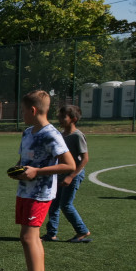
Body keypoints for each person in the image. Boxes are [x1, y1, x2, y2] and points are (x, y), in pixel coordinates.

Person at [9, 90, 75, 271]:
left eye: (22, 110)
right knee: (32, 237)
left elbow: (69, 164)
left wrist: (37, 172)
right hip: (25, 191)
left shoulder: (51, 134)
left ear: (33, 110)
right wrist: (19, 170)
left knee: (28, 238)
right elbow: (25, 159)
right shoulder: (28, 132)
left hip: (40, 193)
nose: (22, 114)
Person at [44, 104, 92, 244]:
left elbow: (85, 159)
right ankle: (51, 234)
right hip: (60, 174)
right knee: (54, 204)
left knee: (66, 205)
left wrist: (71, 176)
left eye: (63, 116)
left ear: (73, 119)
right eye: (59, 115)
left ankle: (82, 230)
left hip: (73, 175)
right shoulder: (60, 134)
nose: (59, 118)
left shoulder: (77, 136)